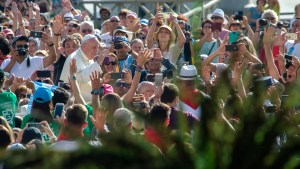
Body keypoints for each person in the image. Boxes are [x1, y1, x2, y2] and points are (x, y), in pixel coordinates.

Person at [60, 34, 103, 102]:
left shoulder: (89, 57)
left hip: (86, 101)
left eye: (97, 48)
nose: (96, 51)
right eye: (94, 48)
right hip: (73, 102)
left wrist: (102, 80)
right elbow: (80, 78)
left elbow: (90, 80)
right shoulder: (74, 58)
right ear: (84, 46)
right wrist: (98, 63)